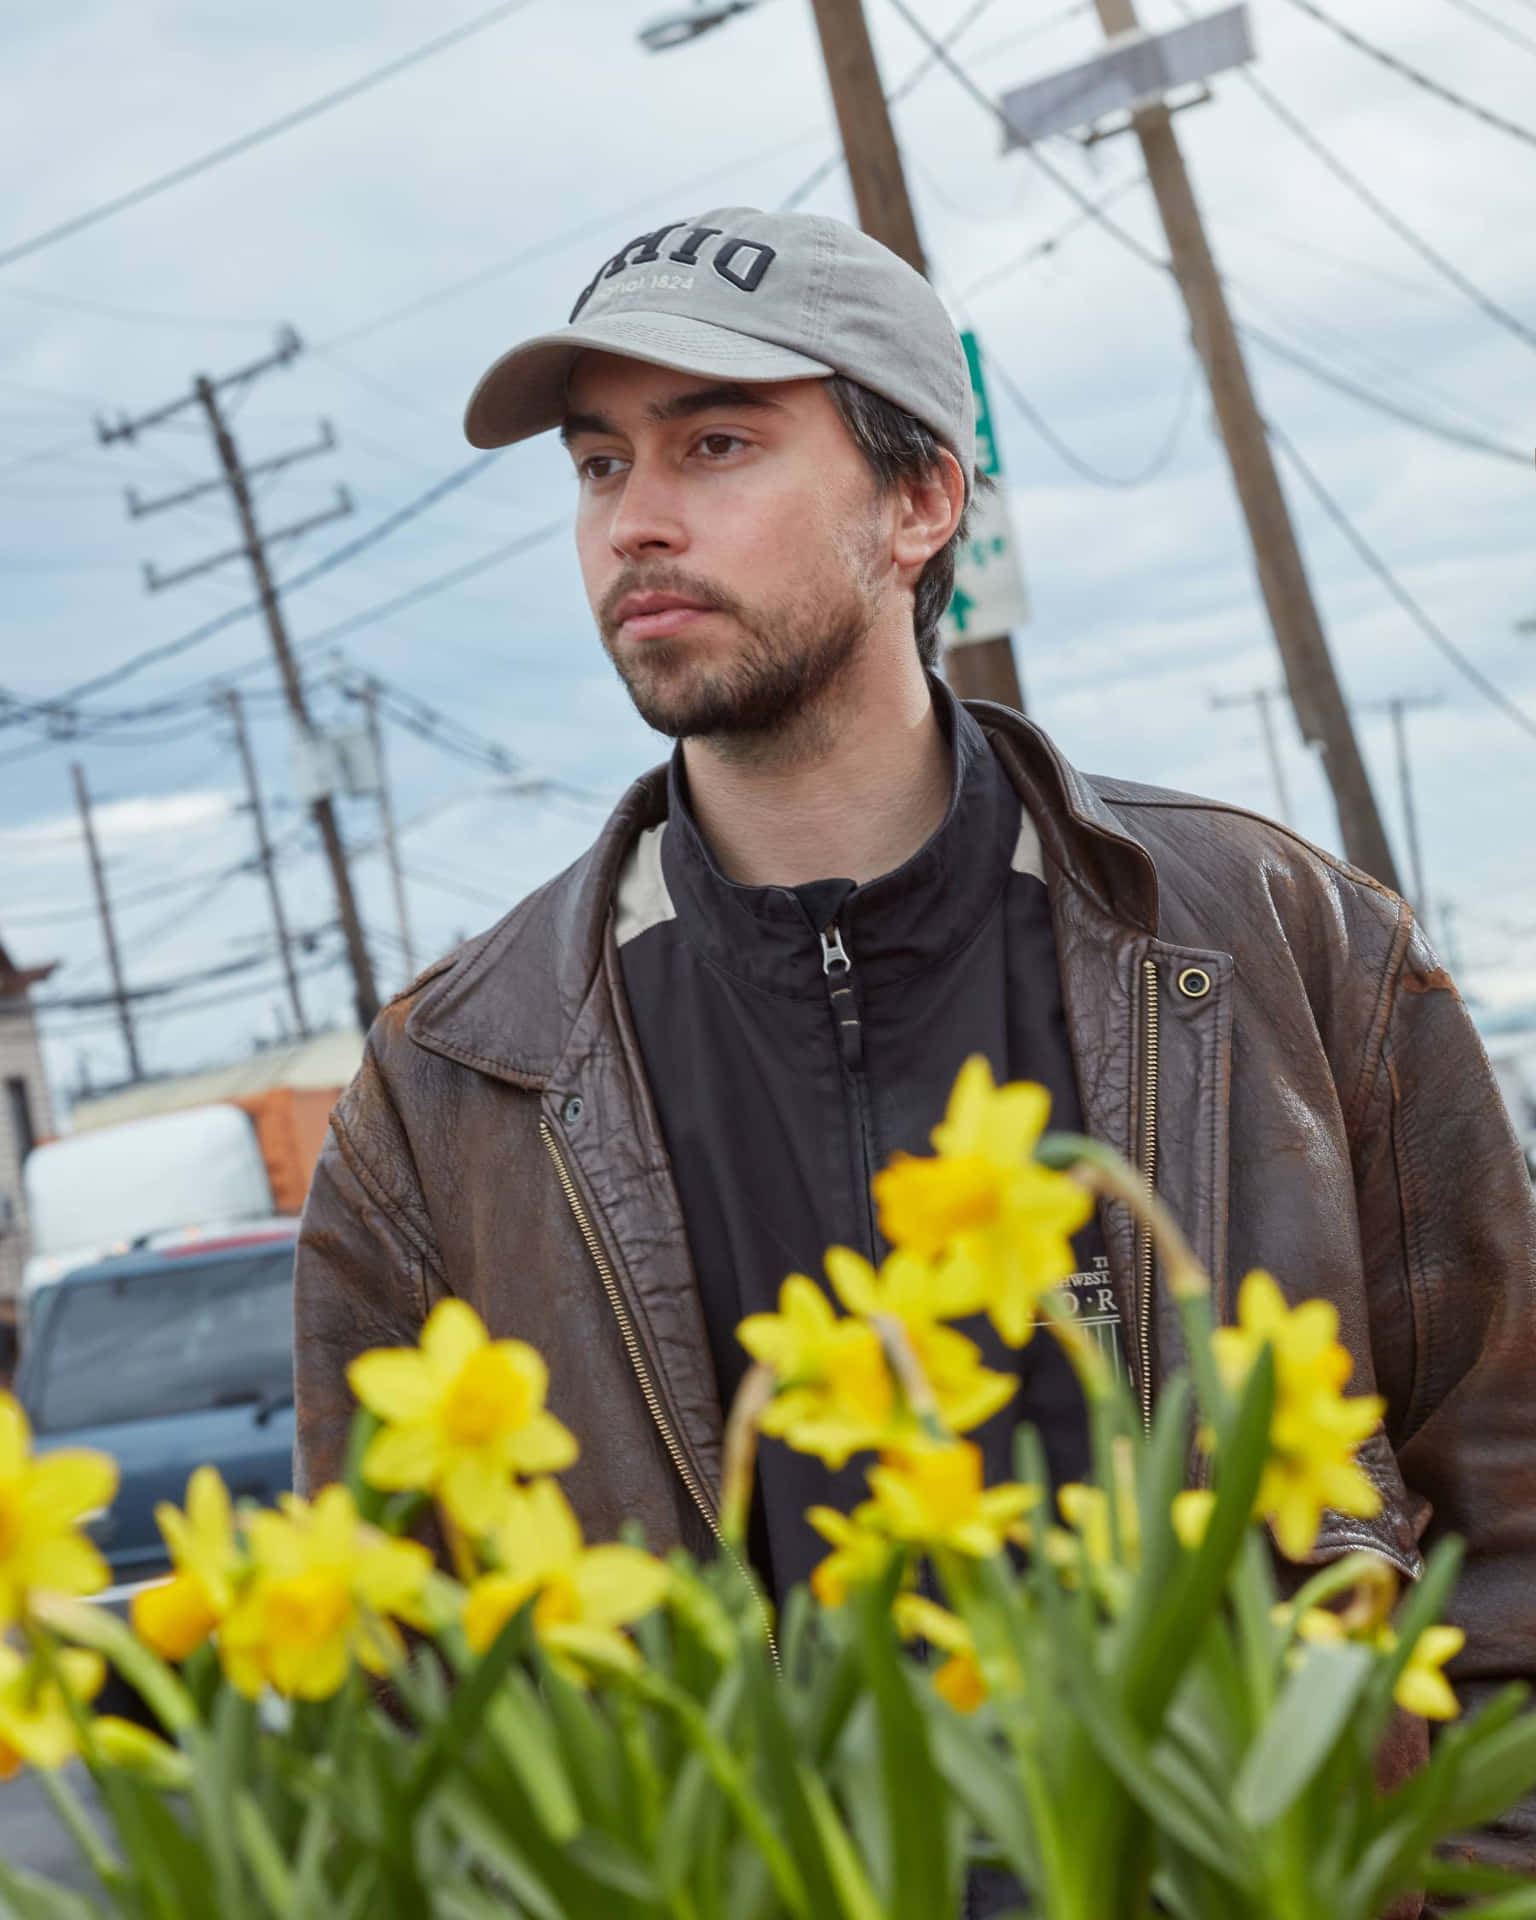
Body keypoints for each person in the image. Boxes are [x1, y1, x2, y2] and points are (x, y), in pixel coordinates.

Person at [294, 206, 1536, 1898]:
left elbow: (1512, 1545)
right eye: (597, 467)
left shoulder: (1283, 947)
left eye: (715, 444)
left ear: (922, 499)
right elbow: (387, 1713)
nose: (633, 522)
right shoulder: (456, 1087)